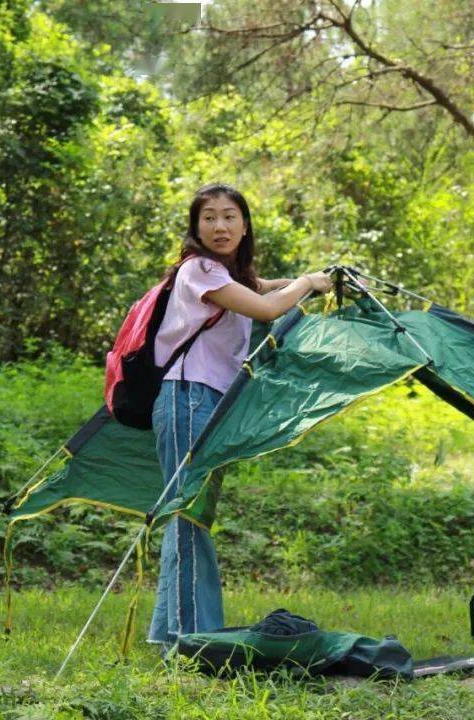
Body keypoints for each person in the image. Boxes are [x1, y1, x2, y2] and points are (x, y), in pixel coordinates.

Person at [147, 183, 332, 649]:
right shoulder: (198, 270)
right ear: (196, 228)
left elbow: (262, 290)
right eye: (209, 217)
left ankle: (174, 636)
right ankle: (194, 637)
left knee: (188, 517)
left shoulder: (225, 277)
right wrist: (306, 284)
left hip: (206, 403)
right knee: (189, 517)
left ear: (244, 225)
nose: (220, 226)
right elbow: (270, 307)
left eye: (229, 216)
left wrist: (307, 279)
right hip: (187, 398)